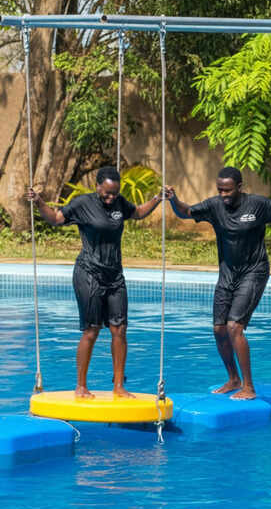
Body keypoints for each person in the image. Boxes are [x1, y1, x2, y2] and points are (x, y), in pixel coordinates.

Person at [169, 167, 271, 400]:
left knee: (234, 327)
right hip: (227, 275)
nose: (224, 195)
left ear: (240, 187)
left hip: (254, 272)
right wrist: (173, 199)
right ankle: (233, 379)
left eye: (228, 190)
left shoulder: (257, 205)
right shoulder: (215, 205)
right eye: (220, 190)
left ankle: (249, 386)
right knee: (219, 329)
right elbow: (186, 212)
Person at [26, 166, 169, 398]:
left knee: (119, 329)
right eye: (107, 193)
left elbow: (139, 212)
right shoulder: (82, 204)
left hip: (114, 276)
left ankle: (119, 386)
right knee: (92, 330)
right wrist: (40, 202)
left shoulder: (120, 203)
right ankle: (81, 386)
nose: (111, 198)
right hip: (88, 273)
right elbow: (55, 219)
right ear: (97, 186)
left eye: (115, 193)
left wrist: (157, 198)